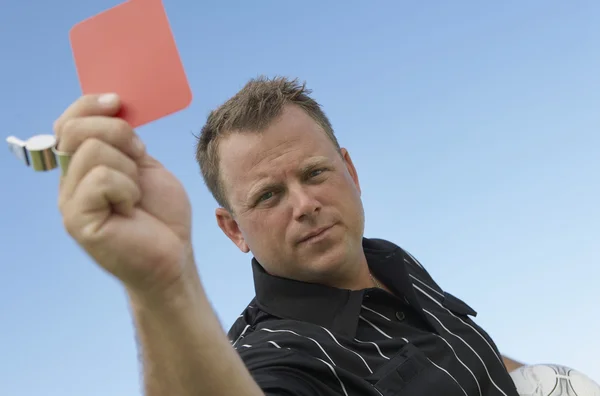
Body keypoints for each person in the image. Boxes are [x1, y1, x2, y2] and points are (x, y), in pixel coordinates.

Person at [53, 76, 524, 395]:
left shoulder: (389, 261)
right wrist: (161, 287)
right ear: (234, 229)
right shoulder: (276, 354)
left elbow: (458, 349)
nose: (304, 205)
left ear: (351, 173)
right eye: (268, 195)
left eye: (316, 173)